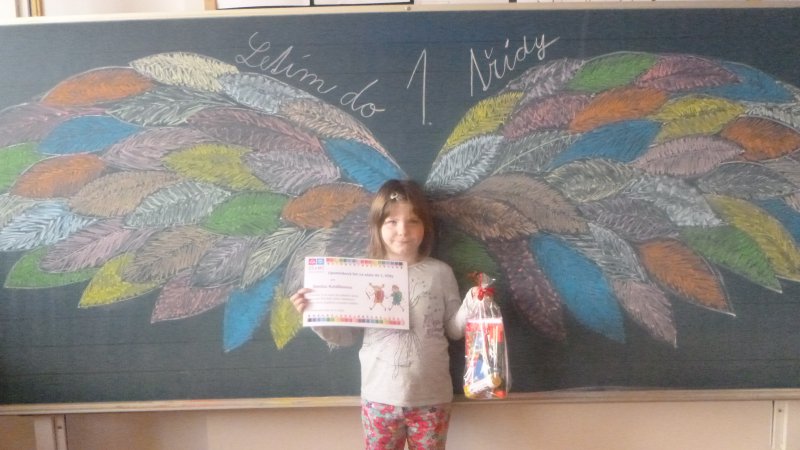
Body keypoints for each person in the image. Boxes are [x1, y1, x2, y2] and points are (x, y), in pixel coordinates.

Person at [291, 179, 476, 450]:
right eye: (392, 222)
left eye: (413, 221)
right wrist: (316, 315)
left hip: (431, 398)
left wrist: (473, 304)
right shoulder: (362, 274)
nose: (403, 230)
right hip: (379, 399)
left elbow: (453, 329)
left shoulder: (440, 273)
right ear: (377, 226)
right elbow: (345, 338)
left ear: (425, 226)